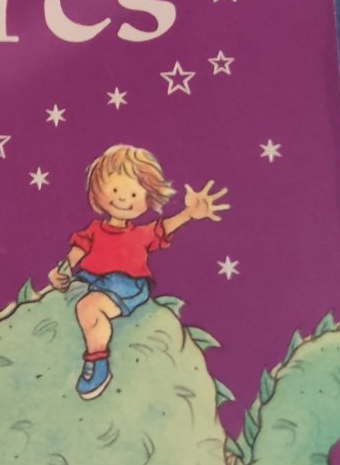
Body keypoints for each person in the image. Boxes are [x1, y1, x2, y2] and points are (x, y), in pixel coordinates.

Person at [48, 147, 229, 399]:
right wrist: (61, 273)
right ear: (97, 190)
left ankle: (98, 362)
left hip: (126, 283)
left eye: (133, 194)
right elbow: (75, 255)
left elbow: (164, 227)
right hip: (93, 279)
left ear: (147, 198)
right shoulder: (93, 230)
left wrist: (189, 213)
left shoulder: (140, 234)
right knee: (80, 299)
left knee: (88, 308)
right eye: (114, 190)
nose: (123, 199)